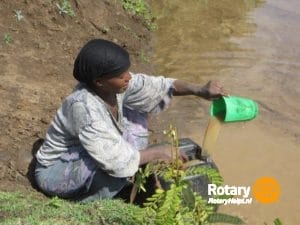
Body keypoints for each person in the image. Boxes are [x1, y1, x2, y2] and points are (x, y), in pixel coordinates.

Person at [34, 39, 227, 202]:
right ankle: (93, 201)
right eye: (120, 75)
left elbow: (161, 86)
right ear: (99, 81)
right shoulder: (83, 107)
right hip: (58, 169)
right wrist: (155, 153)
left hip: (91, 147)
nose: (128, 77)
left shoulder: (115, 86)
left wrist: (200, 90)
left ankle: (132, 175)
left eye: (127, 71)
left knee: (137, 111)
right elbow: (114, 160)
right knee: (118, 172)